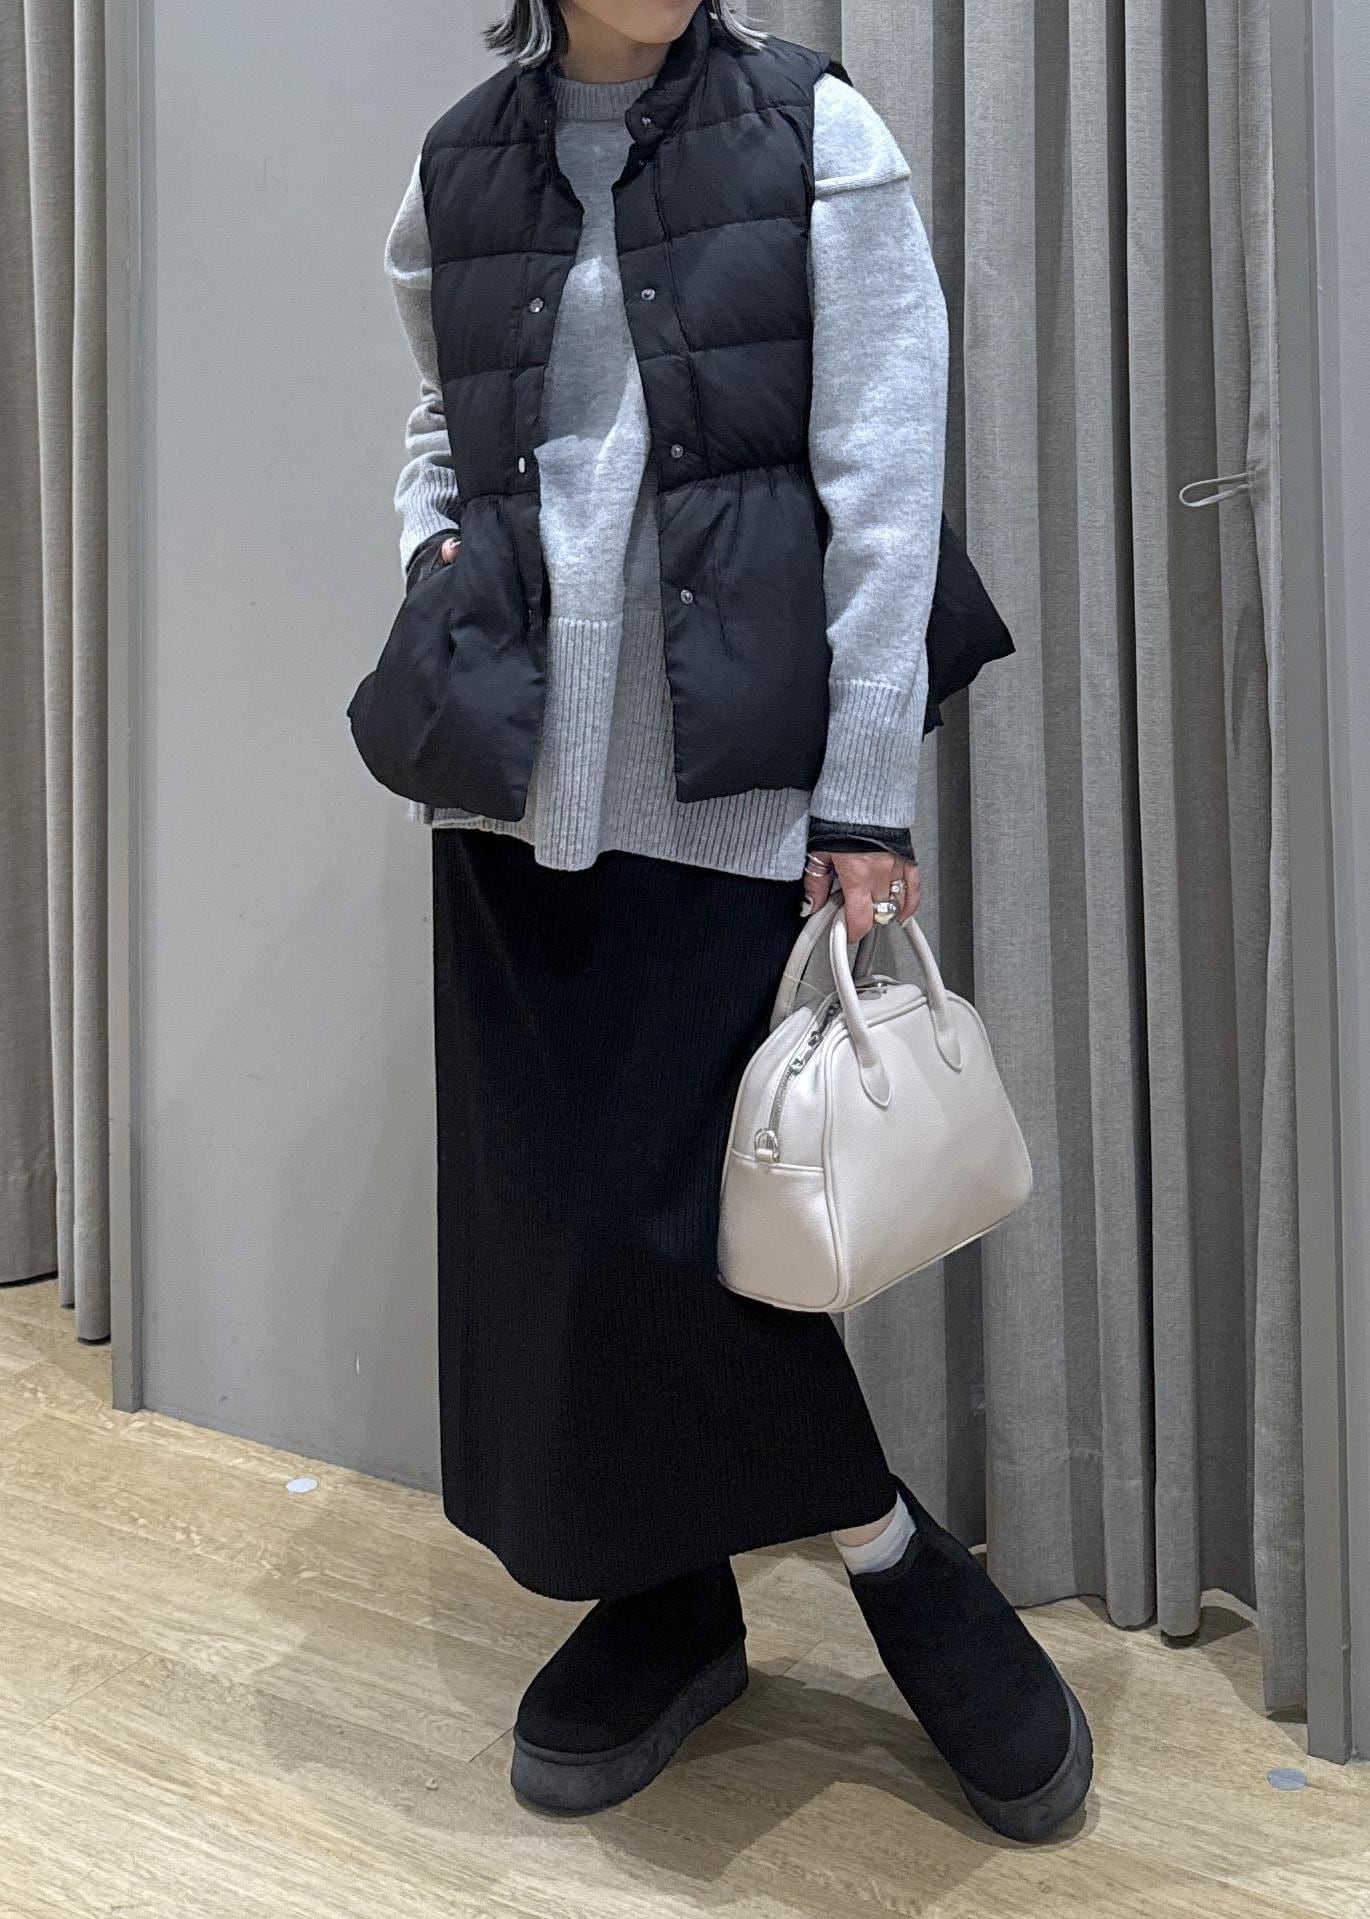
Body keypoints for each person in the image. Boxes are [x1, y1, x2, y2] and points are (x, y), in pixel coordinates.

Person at [379, 0, 1092, 1838]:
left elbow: (883, 475)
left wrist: (863, 793)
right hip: (507, 776)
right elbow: (442, 416)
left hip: (735, 784)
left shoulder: (812, 131)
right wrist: (432, 559)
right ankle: (671, 1598)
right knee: (562, 1229)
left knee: (684, 1232)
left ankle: (884, 1550)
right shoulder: (460, 160)